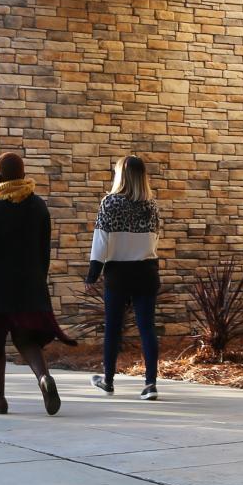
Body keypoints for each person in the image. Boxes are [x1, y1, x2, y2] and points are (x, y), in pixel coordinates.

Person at [0, 151, 74, 415]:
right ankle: (44, 377)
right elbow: (44, 251)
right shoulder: (38, 206)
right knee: (26, 339)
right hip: (30, 285)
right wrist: (39, 281)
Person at [86, 154, 161, 400]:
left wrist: (93, 274)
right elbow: (154, 239)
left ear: (120, 175)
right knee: (147, 328)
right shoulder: (151, 205)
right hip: (146, 271)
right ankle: (150, 384)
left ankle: (108, 380)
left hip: (118, 273)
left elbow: (101, 241)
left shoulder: (110, 203)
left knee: (113, 329)